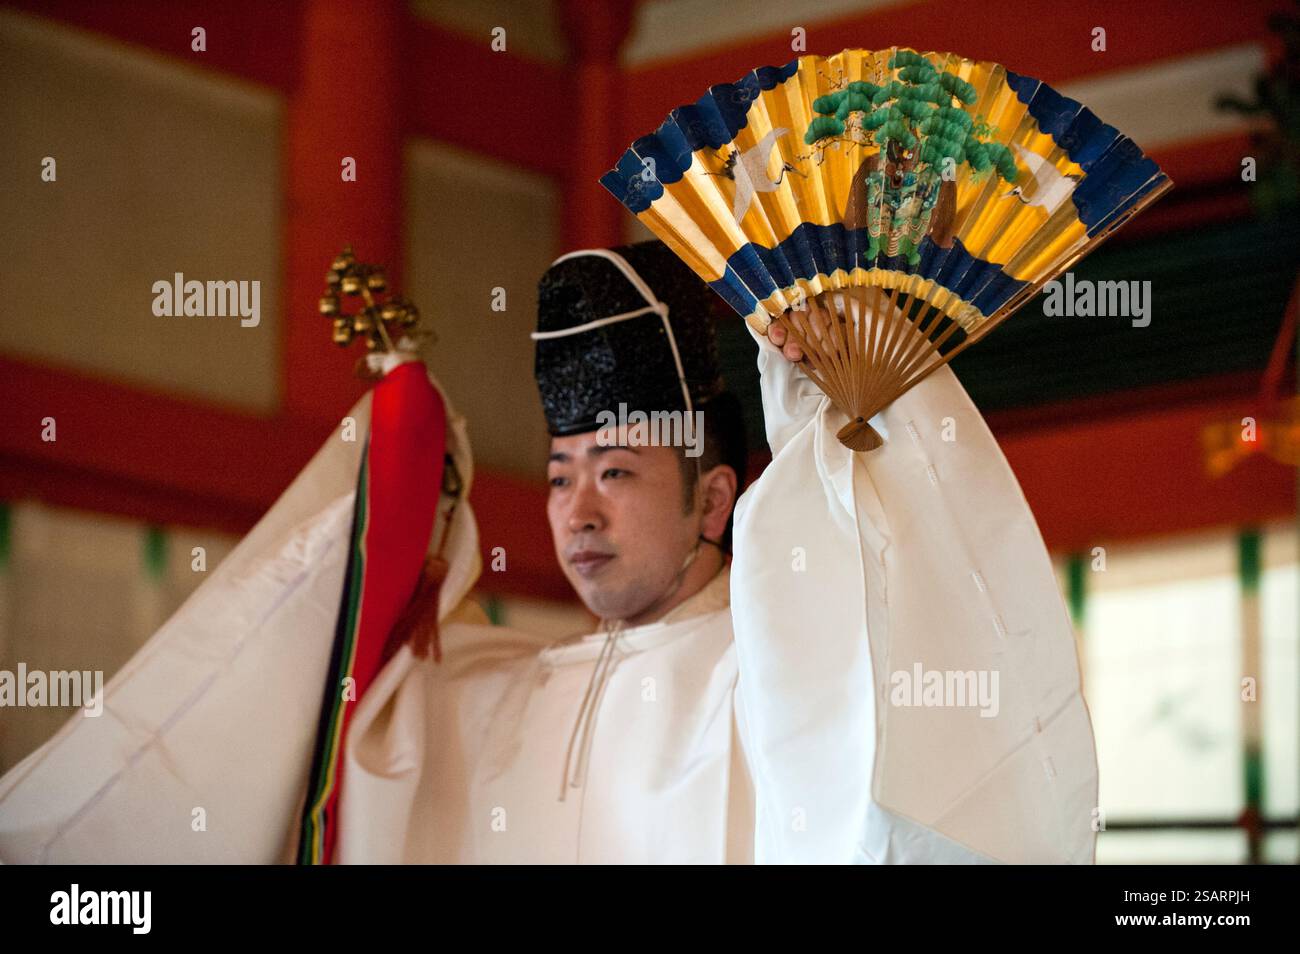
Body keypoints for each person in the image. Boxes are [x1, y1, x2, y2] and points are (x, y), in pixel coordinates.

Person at [0, 240, 1098, 864]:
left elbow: (872, 635)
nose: (575, 513)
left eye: (617, 473)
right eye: (563, 473)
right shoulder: (500, 692)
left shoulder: (770, 681)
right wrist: (406, 464)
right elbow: (349, 709)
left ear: (716, 497)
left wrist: (824, 410)